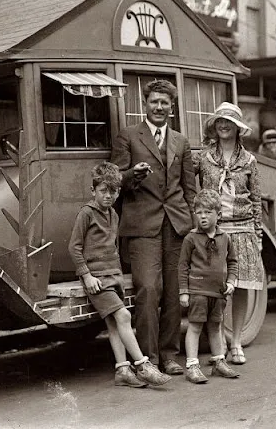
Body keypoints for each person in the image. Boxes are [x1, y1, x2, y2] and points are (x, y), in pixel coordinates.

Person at [111, 79, 196, 376]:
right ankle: (148, 359)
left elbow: (190, 189)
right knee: (148, 289)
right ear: (144, 105)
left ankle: (170, 355)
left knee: (174, 292)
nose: (159, 107)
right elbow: (114, 180)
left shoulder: (181, 142)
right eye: (153, 102)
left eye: (164, 103)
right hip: (142, 225)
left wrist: (195, 226)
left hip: (176, 225)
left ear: (171, 108)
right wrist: (131, 174)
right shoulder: (128, 137)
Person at [68, 162, 171, 388]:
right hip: (96, 279)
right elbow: (74, 247)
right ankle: (143, 365)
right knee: (124, 316)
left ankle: (122, 370)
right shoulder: (86, 213)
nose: (108, 196)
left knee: (114, 325)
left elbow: (112, 246)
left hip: (113, 275)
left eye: (113, 191)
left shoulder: (113, 214)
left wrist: (118, 273)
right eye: (103, 190)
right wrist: (86, 276)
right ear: (93, 191)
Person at [193, 102, 263, 366]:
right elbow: (189, 184)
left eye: (229, 122)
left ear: (238, 128)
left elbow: (255, 198)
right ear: (214, 126)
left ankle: (236, 342)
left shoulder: (249, 160)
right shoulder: (203, 157)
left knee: (242, 285)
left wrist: (257, 234)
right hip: (215, 231)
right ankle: (219, 340)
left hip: (243, 228)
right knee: (217, 287)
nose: (223, 126)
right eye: (220, 121)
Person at [179, 189, 240, 383]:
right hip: (198, 291)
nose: (203, 217)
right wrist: (184, 291)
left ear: (218, 215)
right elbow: (182, 266)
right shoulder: (191, 238)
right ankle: (192, 365)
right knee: (195, 327)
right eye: (199, 212)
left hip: (218, 292)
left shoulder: (225, 238)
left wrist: (231, 281)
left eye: (208, 212)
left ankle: (219, 362)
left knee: (215, 326)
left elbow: (233, 262)